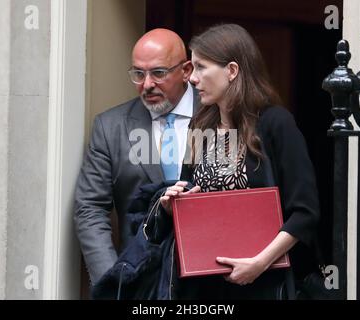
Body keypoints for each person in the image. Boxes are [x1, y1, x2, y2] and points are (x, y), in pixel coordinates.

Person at [160, 24, 320, 299]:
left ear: (232, 71)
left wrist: (259, 263)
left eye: (201, 67)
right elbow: (189, 196)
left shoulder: (275, 123)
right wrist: (172, 204)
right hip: (203, 287)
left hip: (263, 284)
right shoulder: (199, 126)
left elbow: (305, 213)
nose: (192, 79)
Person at [74, 28, 197, 290]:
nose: (147, 84)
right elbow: (90, 208)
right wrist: (113, 280)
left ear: (186, 70)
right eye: (138, 74)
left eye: (159, 73)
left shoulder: (221, 116)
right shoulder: (110, 127)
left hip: (209, 279)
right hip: (140, 281)